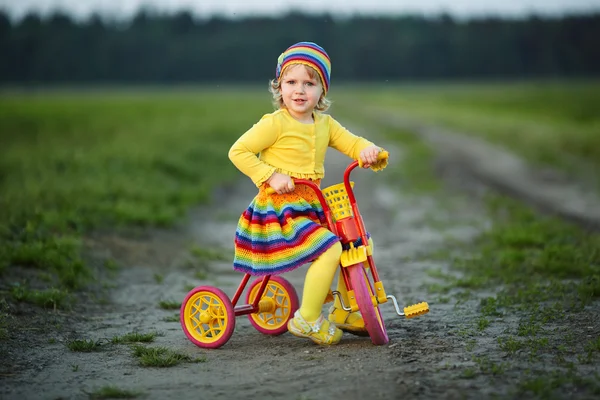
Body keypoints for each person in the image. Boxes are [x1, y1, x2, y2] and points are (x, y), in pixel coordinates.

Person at [228, 41, 387, 345]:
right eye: (291, 82)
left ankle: (345, 309)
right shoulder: (275, 123)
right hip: (279, 209)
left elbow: (352, 143)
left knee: (352, 241)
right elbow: (239, 151)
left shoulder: (325, 124)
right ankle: (308, 318)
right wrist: (271, 176)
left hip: (311, 205)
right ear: (279, 87)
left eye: (309, 83)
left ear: (322, 91)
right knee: (329, 248)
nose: (299, 90)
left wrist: (369, 150)